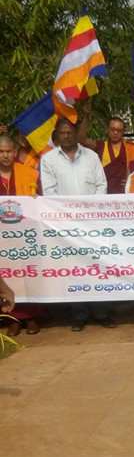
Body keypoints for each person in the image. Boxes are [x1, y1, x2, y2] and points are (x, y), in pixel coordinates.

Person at [40, 118, 113, 330]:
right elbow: (49, 192)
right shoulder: (48, 160)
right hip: (66, 225)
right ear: (57, 135)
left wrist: (89, 211)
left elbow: (102, 185)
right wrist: (69, 215)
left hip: (92, 224)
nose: (67, 136)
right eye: (62, 133)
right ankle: (79, 316)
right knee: (74, 269)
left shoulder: (91, 157)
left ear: (75, 133)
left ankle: (102, 313)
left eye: (70, 132)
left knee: (97, 267)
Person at [0, 135, 41, 334]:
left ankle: (32, 316)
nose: (5, 155)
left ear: (15, 152)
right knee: (8, 275)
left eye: (8, 151)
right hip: (2, 238)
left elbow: (40, 201)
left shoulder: (29, 173)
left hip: (25, 234)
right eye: (1, 152)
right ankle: (12, 318)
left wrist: (36, 199)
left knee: (28, 274)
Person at [79, 112, 134, 194]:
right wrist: (86, 117)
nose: (115, 133)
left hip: (124, 191)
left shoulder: (131, 147)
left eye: (119, 130)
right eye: (112, 129)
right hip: (104, 191)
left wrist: (131, 180)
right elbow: (81, 139)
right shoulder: (101, 146)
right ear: (107, 130)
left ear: (123, 132)